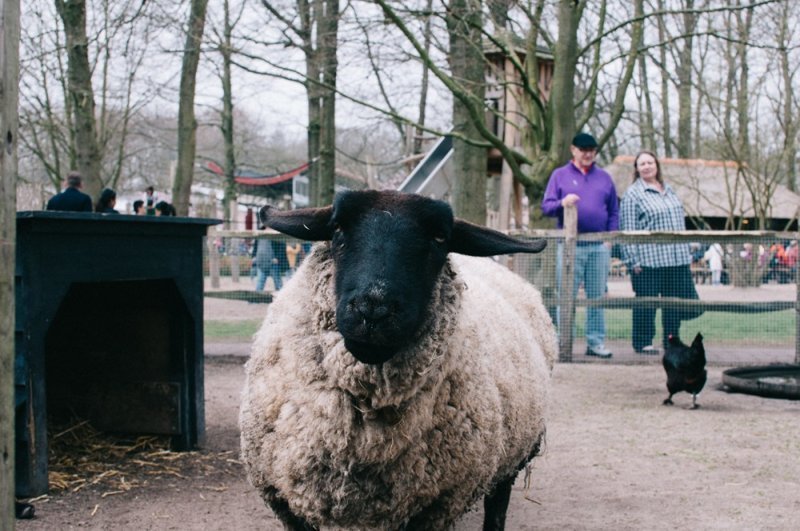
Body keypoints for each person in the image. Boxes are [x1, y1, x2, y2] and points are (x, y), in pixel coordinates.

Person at [542, 132, 619, 359]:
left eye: (592, 150)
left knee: (596, 296)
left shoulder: (604, 178)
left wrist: (609, 239)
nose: (588, 154)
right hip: (569, 244)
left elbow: (614, 210)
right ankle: (562, 342)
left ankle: (595, 343)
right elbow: (546, 207)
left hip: (598, 245)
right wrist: (562, 203)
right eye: (583, 150)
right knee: (566, 294)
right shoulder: (560, 175)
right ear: (573, 150)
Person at [619, 150, 700, 355]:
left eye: (650, 162)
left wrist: (686, 252)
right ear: (636, 169)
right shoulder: (633, 194)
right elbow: (627, 229)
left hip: (676, 258)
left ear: (657, 165)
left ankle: (672, 340)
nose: (646, 166)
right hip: (648, 260)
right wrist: (632, 260)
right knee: (647, 303)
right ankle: (643, 342)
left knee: (673, 303)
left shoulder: (668, 190)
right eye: (642, 164)